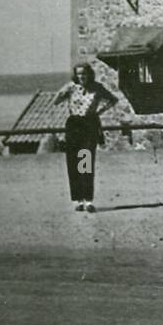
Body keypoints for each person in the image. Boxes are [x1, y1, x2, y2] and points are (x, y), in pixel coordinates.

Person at [51, 63, 119, 213]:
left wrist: (98, 112)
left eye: (84, 74)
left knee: (86, 160)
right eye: (79, 74)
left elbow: (113, 100)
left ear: (89, 74)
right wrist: (63, 91)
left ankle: (88, 200)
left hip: (89, 125)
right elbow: (55, 102)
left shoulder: (97, 88)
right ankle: (77, 200)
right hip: (74, 124)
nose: (82, 77)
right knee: (73, 161)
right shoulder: (72, 87)